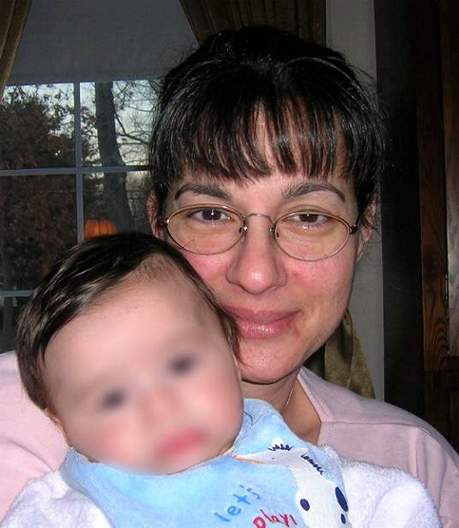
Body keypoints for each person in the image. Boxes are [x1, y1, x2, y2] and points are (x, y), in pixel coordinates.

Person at [0, 25, 457, 525]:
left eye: (309, 217)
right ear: (158, 224)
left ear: (362, 230)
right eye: (211, 214)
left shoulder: (416, 467)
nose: (256, 273)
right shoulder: (17, 417)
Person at [1, 233, 440, 527]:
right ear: (62, 423)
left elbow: (398, 503)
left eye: (180, 365)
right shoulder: (78, 508)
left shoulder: (289, 459)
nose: (161, 409)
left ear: (231, 351)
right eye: (113, 397)